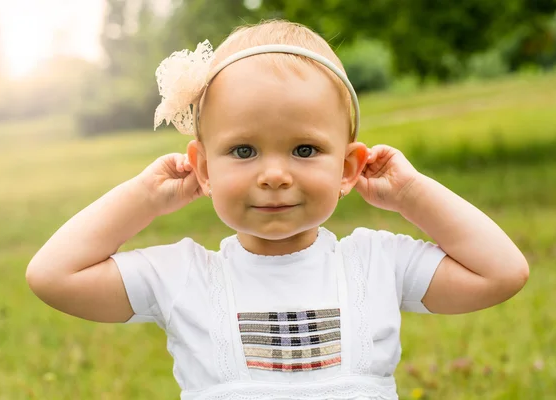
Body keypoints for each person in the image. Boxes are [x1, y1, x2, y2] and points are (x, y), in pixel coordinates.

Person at [26, 20, 529, 400]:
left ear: (349, 167)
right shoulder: (185, 276)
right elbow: (53, 276)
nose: (274, 174)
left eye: (304, 150)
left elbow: (502, 273)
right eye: (243, 151)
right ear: (202, 168)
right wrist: (143, 197)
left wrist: (411, 193)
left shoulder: (375, 264)